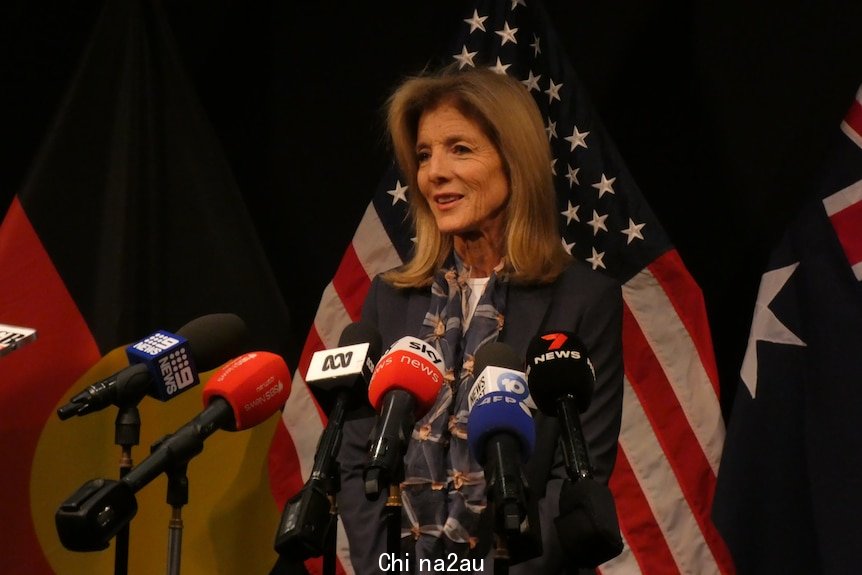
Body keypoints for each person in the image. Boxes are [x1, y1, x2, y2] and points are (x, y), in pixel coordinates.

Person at [337, 64, 624, 574]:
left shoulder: (584, 301)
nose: (434, 172)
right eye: (424, 155)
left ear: (514, 162)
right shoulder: (389, 297)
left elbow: (575, 477)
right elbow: (360, 462)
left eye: (460, 149)